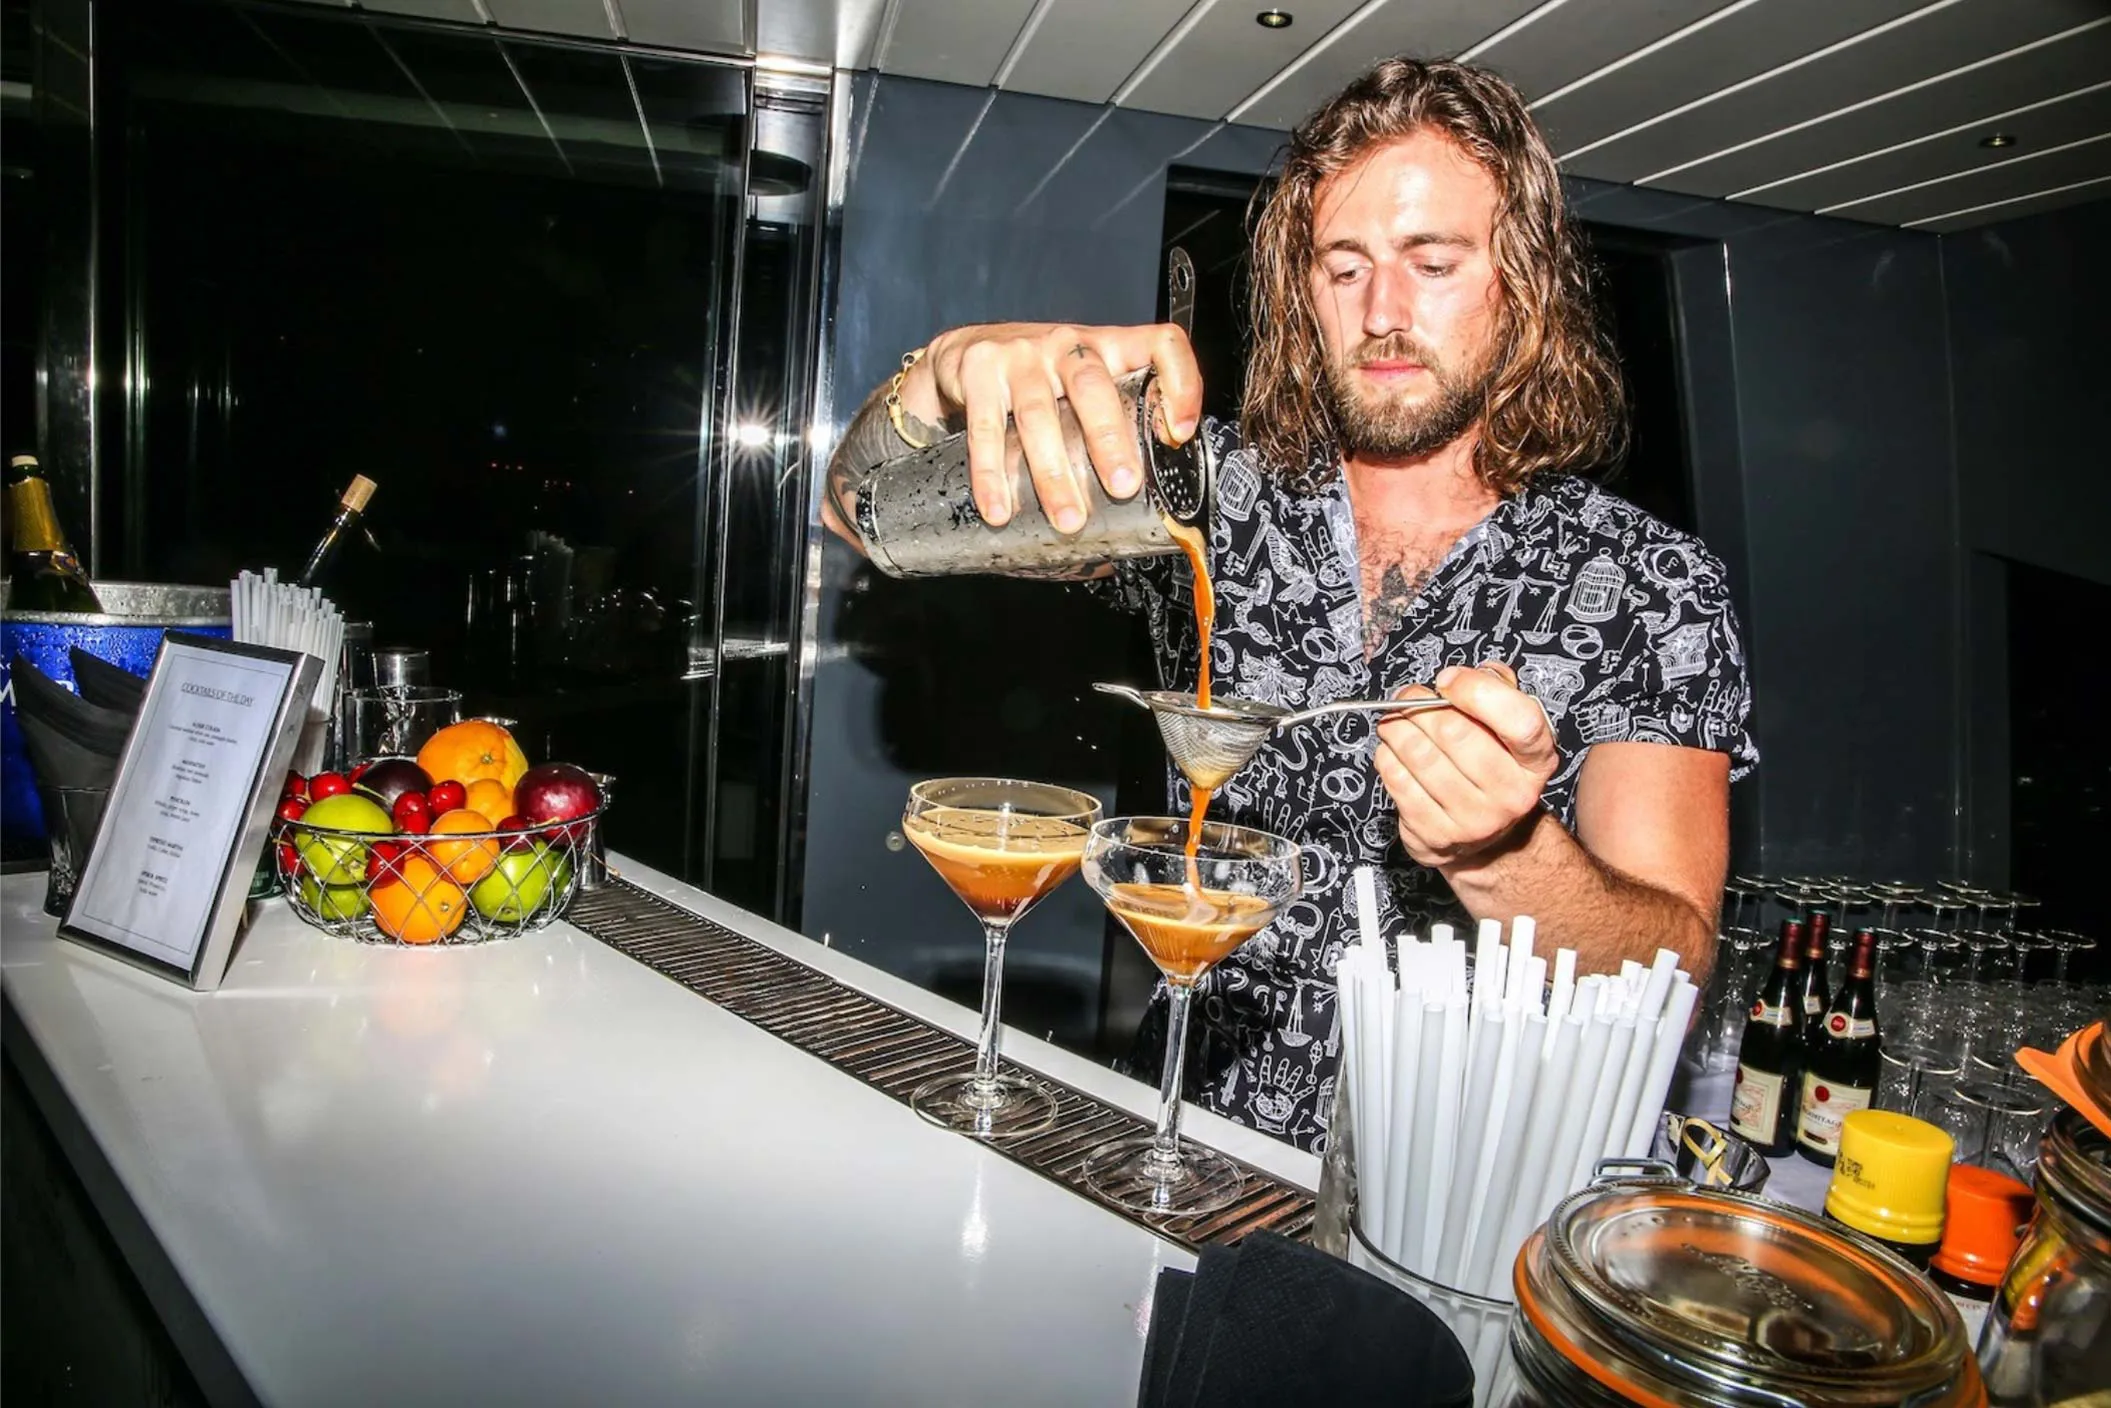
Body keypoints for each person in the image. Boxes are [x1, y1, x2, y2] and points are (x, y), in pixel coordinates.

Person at [824, 57, 1756, 1151]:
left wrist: (1504, 853)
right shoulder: (1198, 495)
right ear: (1298, 292)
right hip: (1197, 1137)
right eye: (1342, 267)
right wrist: (934, 377)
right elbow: (865, 520)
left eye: (1432, 262)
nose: (1383, 312)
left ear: (1523, 281)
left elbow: (1670, 968)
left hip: (1467, 1200)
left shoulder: (1650, 584)